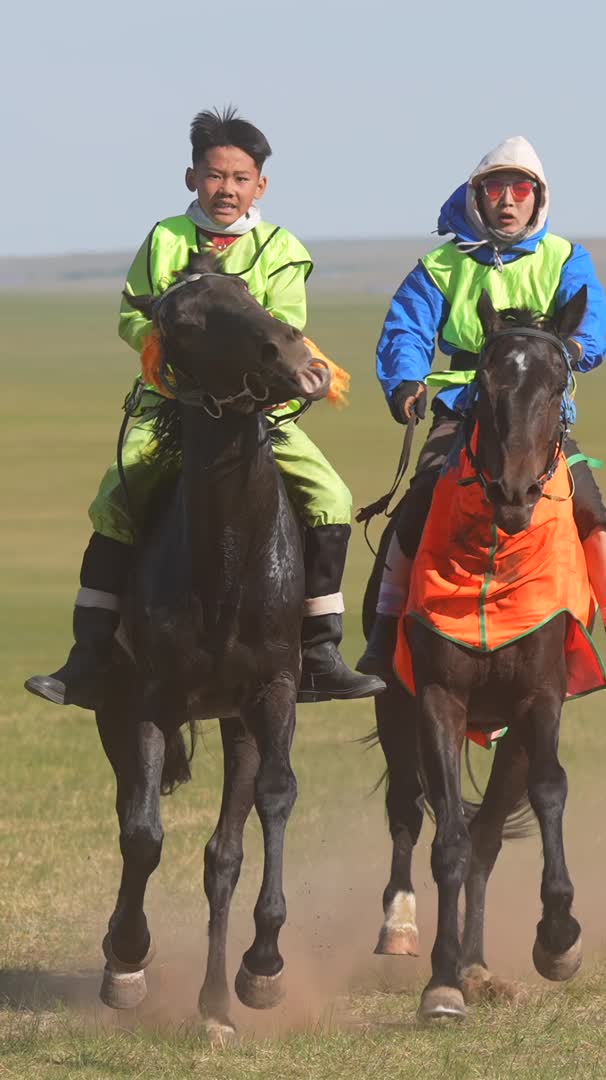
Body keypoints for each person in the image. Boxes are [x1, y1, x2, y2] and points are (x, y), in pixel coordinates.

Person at [26, 107, 384, 709]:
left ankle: (320, 651)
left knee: (332, 498)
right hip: (171, 403)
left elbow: (286, 327)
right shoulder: (166, 238)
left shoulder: (280, 247)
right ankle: (88, 655)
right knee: (116, 497)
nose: (228, 189)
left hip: (259, 413)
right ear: (191, 177)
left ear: (260, 186)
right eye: (215, 175)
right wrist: (161, 352)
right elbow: (132, 316)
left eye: (241, 178)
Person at [357, 135, 606, 677]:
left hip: (541, 418)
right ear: (478, 196)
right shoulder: (443, 264)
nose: (509, 200)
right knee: (420, 500)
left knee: (591, 508)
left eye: (521, 188)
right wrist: (405, 382)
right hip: (462, 409)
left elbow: (590, 320)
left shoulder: (566, 257)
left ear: (539, 197)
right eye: (497, 188)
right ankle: (382, 633)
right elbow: (408, 328)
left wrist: (573, 349)